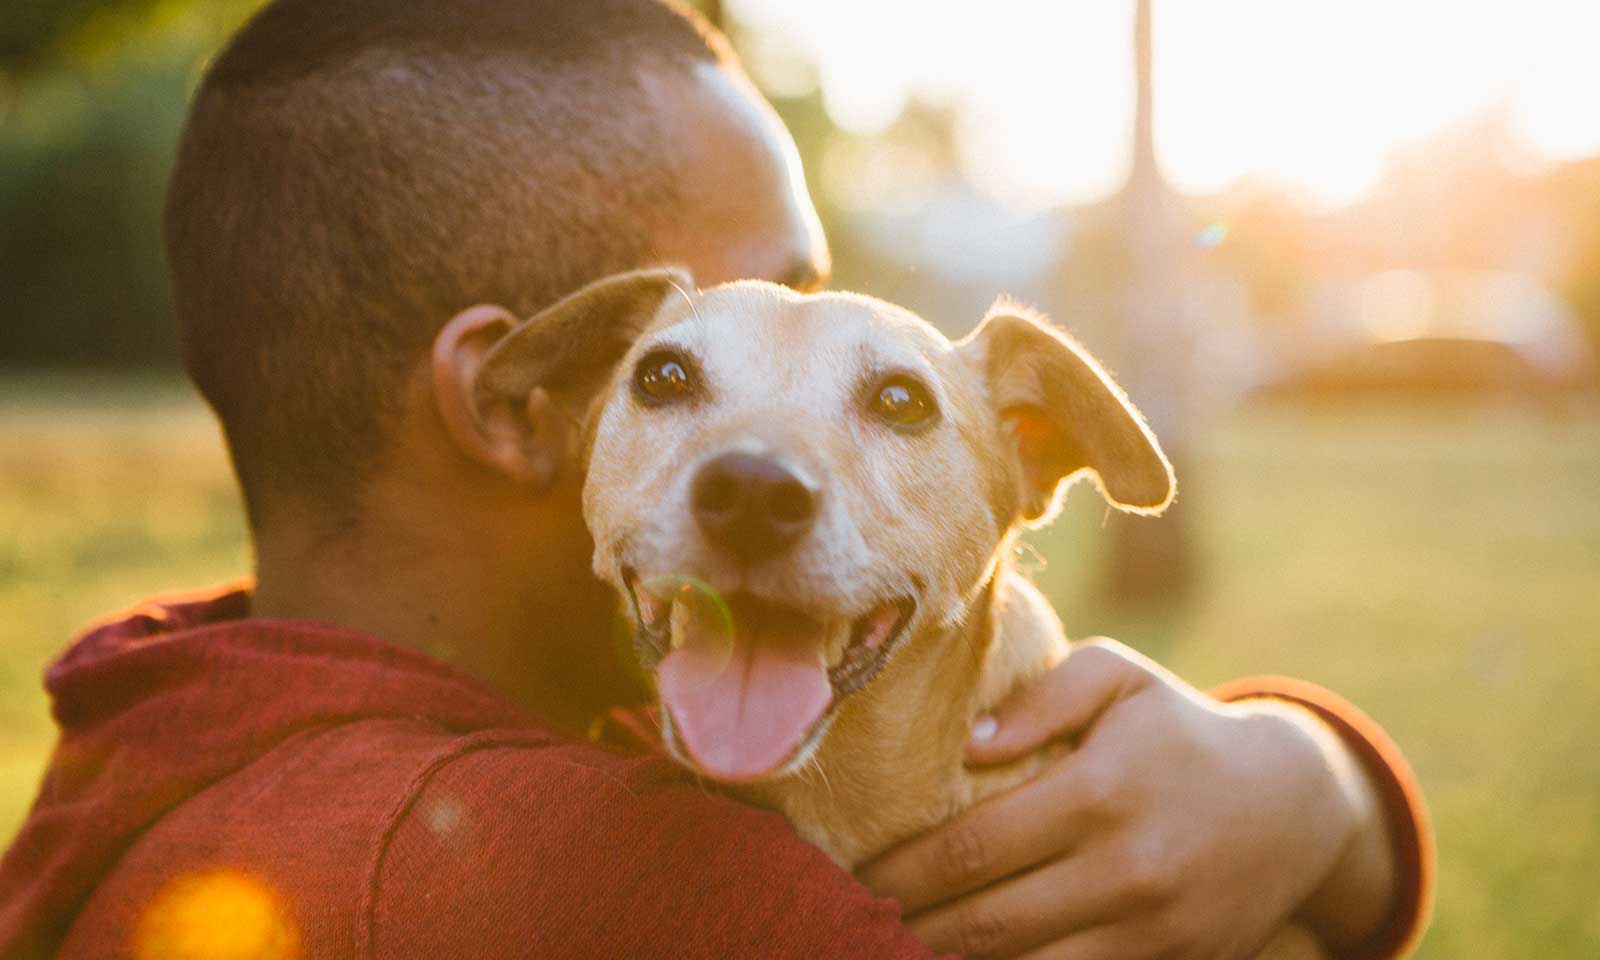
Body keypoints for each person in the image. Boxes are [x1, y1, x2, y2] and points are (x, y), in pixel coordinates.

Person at [0, 1, 1431, 958]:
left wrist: (1310, 778)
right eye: (685, 368)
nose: (769, 463)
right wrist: (1318, 800)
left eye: (876, 395)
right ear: (528, 399)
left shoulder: (176, 720)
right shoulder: (663, 892)